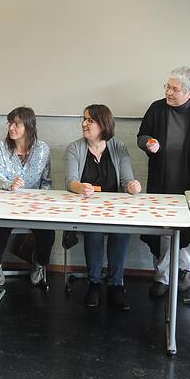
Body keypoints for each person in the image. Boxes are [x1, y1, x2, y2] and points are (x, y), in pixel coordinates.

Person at [137, 66, 190, 297]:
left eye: (174, 89)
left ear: (189, 91)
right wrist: (148, 143)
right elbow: (142, 135)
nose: (168, 92)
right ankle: (162, 277)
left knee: (189, 229)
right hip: (162, 179)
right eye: (167, 86)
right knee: (163, 228)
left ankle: (184, 272)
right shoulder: (157, 109)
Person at [66, 104, 142, 309]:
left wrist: (133, 187)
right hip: (87, 208)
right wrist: (79, 187)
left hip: (114, 209)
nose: (84, 124)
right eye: (83, 119)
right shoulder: (75, 147)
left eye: (90, 120)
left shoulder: (118, 147)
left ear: (103, 124)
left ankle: (116, 284)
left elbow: (127, 181)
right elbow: (70, 181)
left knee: (121, 232)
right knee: (94, 232)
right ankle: (94, 283)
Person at [0, 107, 55, 287]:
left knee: (48, 233)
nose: (11, 127)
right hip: (6, 203)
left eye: (16, 124)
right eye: (10, 123)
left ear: (29, 126)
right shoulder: (1, 147)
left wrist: (44, 206)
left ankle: (39, 264)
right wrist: (9, 184)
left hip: (34, 206)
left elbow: (46, 181)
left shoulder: (42, 149)